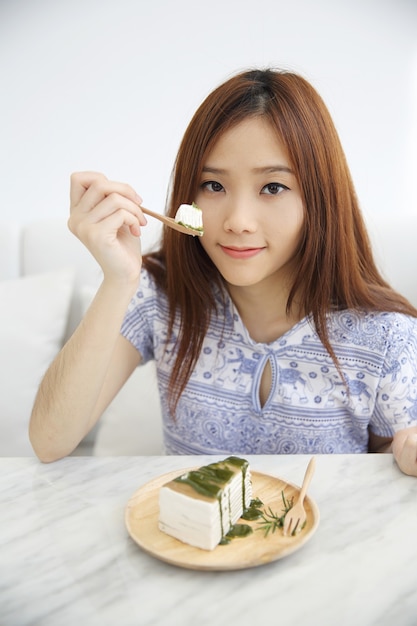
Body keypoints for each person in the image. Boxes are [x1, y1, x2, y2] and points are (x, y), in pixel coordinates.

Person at [29, 68, 417, 476]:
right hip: (184, 539)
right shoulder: (157, 296)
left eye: (272, 187)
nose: (238, 221)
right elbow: (50, 442)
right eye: (213, 185)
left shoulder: (386, 336)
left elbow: (388, 479)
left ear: (319, 199)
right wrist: (119, 278)